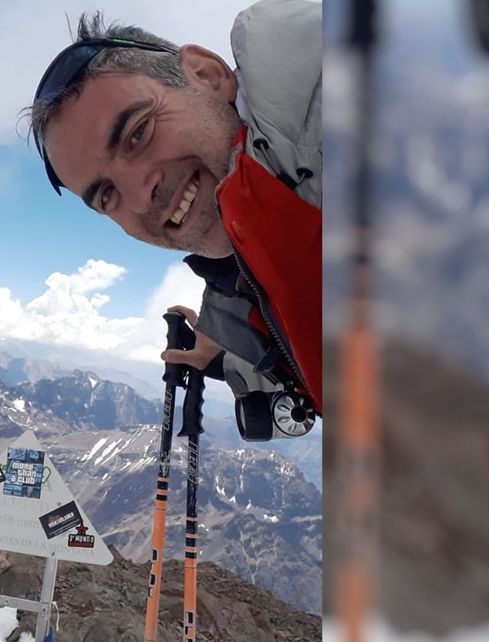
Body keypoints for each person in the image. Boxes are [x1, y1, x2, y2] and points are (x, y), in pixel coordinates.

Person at [25, 0, 321, 437]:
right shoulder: (253, 264)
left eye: (138, 132)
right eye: (107, 195)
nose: (142, 197)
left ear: (207, 74)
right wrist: (246, 346)